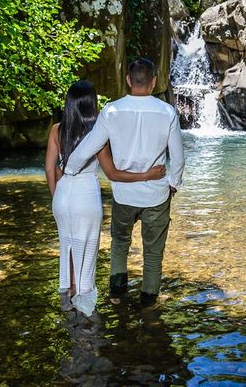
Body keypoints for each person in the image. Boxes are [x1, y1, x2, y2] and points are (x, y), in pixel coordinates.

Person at [64, 58, 185, 307]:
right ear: (153, 82)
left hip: (124, 195)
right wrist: (174, 184)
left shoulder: (111, 110)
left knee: (120, 245)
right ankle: (149, 302)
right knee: (153, 253)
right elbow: (179, 157)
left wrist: (70, 169)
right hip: (156, 195)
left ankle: (117, 296)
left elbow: (90, 145)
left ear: (128, 81)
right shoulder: (167, 112)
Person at [44, 80, 166, 316]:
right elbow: (112, 173)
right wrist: (147, 175)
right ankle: (85, 313)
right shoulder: (97, 134)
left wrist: (56, 197)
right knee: (87, 250)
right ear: (91, 104)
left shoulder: (57, 130)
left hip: (62, 195)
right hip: (85, 198)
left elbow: (51, 169)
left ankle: (68, 301)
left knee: (68, 248)